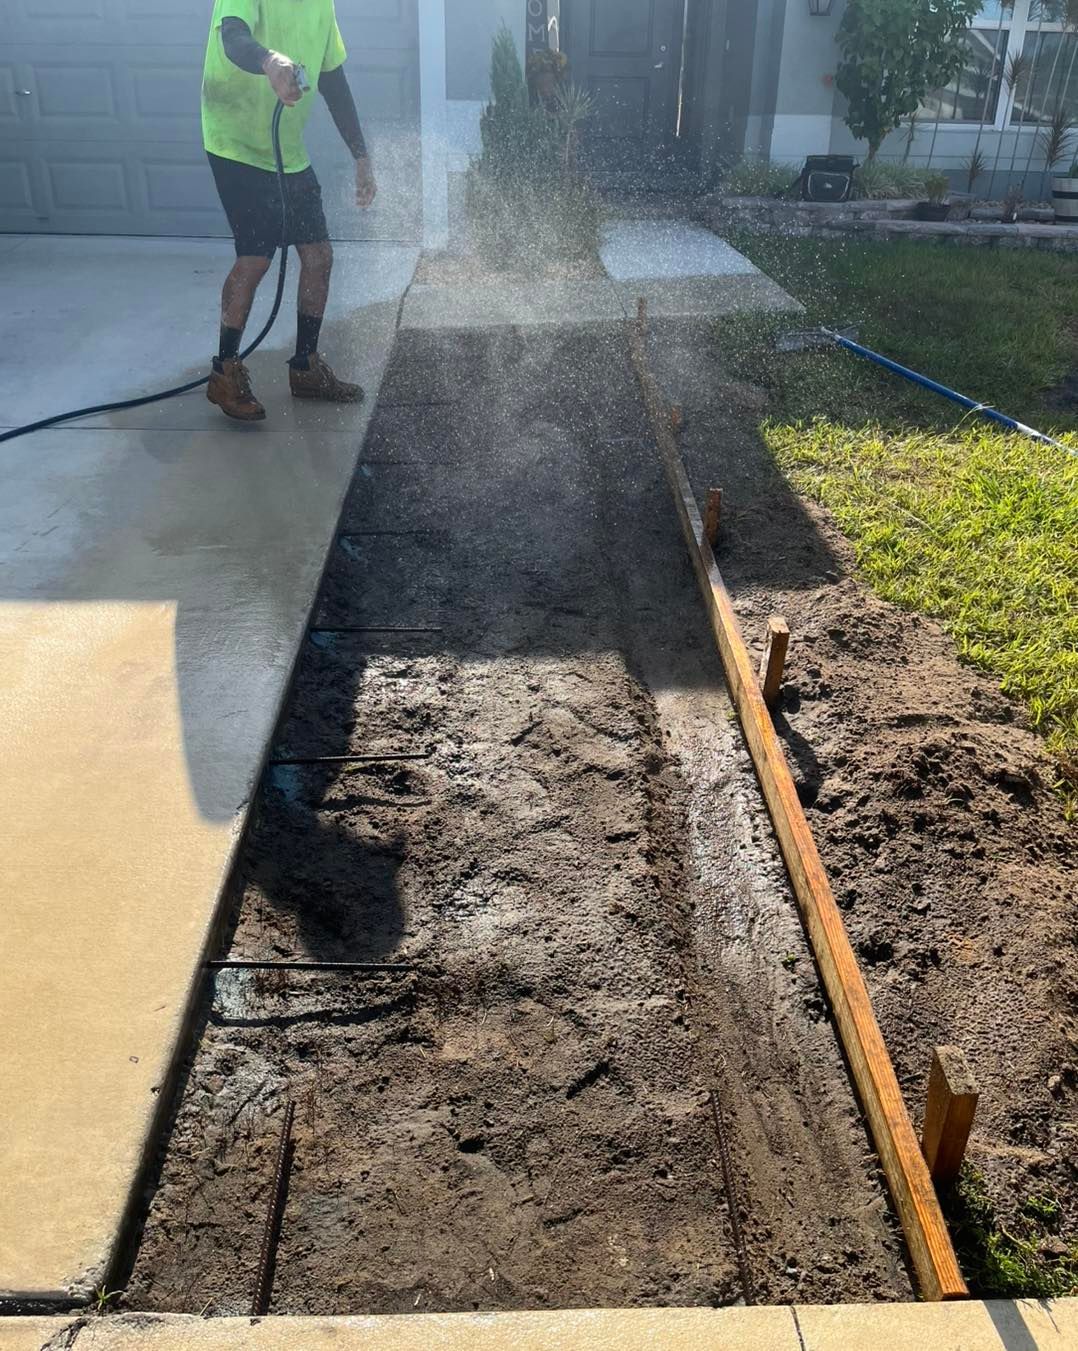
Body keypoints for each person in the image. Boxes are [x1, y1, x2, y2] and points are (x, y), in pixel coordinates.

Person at [201, 0, 378, 421]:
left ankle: (306, 368)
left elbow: (334, 80)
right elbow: (233, 37)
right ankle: (225, 373)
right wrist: (269, 60)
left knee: (319, 256)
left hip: (287, 148)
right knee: (256, 259)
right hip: (235, 143)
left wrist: (361, 156)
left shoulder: (323, 6)